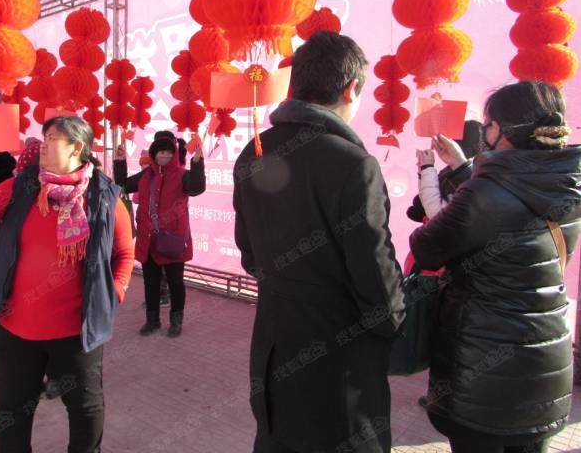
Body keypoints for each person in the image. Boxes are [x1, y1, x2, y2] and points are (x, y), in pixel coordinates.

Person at [233, 31, 406, 453]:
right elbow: (376, 277)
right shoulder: (352, 164)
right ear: (351, 89)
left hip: (273, 357)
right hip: (339, 373)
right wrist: (396, 323)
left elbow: (250, 253)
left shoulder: (254, 151)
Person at [410, 81, 581, 453]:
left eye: (487, 125)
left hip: (483, 369)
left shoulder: (485, 192)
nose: (484, 132)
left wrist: (460, 175)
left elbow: (426, 248)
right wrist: (462, 167)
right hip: (545, 364)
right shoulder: (568, 183)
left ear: (501, 129)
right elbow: (511, 209)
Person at [0, 116, 134, 453]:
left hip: (76, 332)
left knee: (84, 409)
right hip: (16, 329)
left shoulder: (104, 196)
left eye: (52, 138)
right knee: (13, 408)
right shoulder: (23, 187)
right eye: (44, 137)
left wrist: (114, 294)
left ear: (77, 147)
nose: (43, 145)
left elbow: (124, 252)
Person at [113, 130, 205, 337]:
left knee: (175, 283)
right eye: (160, 151)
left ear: (174, 153)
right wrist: (120, 162)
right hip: (148, 239)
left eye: (168, 151)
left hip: (173, 240)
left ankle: (176, 322)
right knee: (151, 283)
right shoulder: (147, 175)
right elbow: (123, 185)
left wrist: (198, 163)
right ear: (153, 154)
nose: (164, 155)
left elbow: (197, 187)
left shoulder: (182, 175)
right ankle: (152, 321)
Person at [408, 120, 481, 223]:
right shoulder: (453, 171)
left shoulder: (475, 176)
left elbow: (435, 212)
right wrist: (423, 172)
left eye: (455, 142)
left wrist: (427, 168)